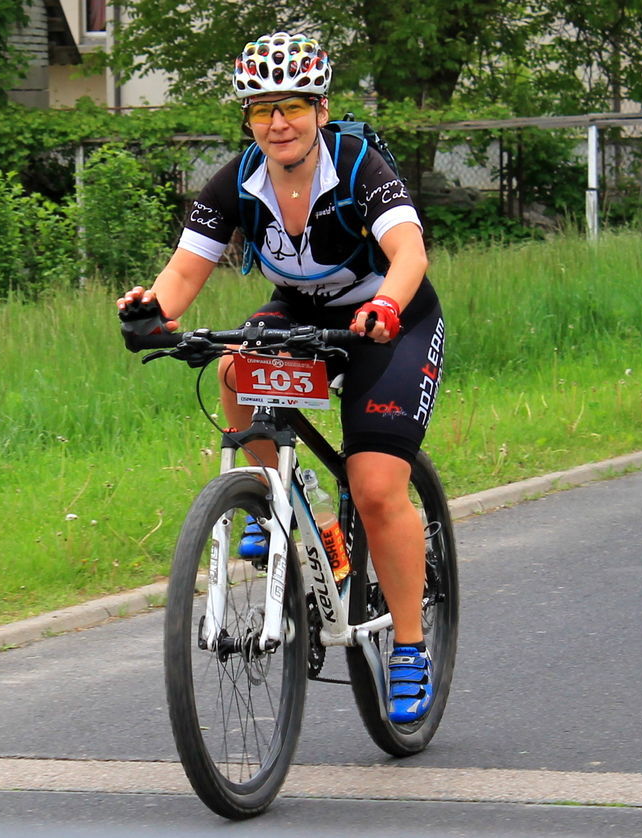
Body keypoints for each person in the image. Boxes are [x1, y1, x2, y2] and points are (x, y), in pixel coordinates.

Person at [116, 32, 444, 724]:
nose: (277, 122)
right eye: (261, 109)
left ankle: (410, 644)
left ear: (320, 108)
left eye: (291, 105)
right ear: (248, 118)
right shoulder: (237, 182)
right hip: (302, 312)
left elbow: (408, 250)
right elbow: (183, 273)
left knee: (379, 486)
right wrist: (153, 312)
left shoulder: (359, 166)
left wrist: (386, 303)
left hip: (391, 318)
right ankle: (279, 504)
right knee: (234, 367)